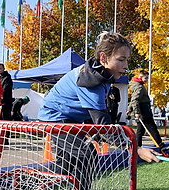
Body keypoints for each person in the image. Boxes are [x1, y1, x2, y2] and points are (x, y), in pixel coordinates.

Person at [38, 32, 161, 164]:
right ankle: (25, 180)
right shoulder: (90, 80)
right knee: (86, 154)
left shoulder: (103, 76)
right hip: (55, 117)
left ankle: (46, 181)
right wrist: (136, 149)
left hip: (70, 119)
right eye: (121, 60)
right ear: (103, 58)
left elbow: (95, 116)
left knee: (68, 163)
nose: (126, 66)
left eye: (127, 60)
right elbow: (102, 122)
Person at [127, 70, 169, 153]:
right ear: (140, 77)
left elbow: (133, 99)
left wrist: (130, 109)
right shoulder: (139, 87)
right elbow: (135, 100)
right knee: (152, 127)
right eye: (145, 78)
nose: (147, 80)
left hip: (142, 110)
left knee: (140, 130)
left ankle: (137, 147)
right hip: (144, 111)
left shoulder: (137, 85)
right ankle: (161, 145)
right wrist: (137, 112)